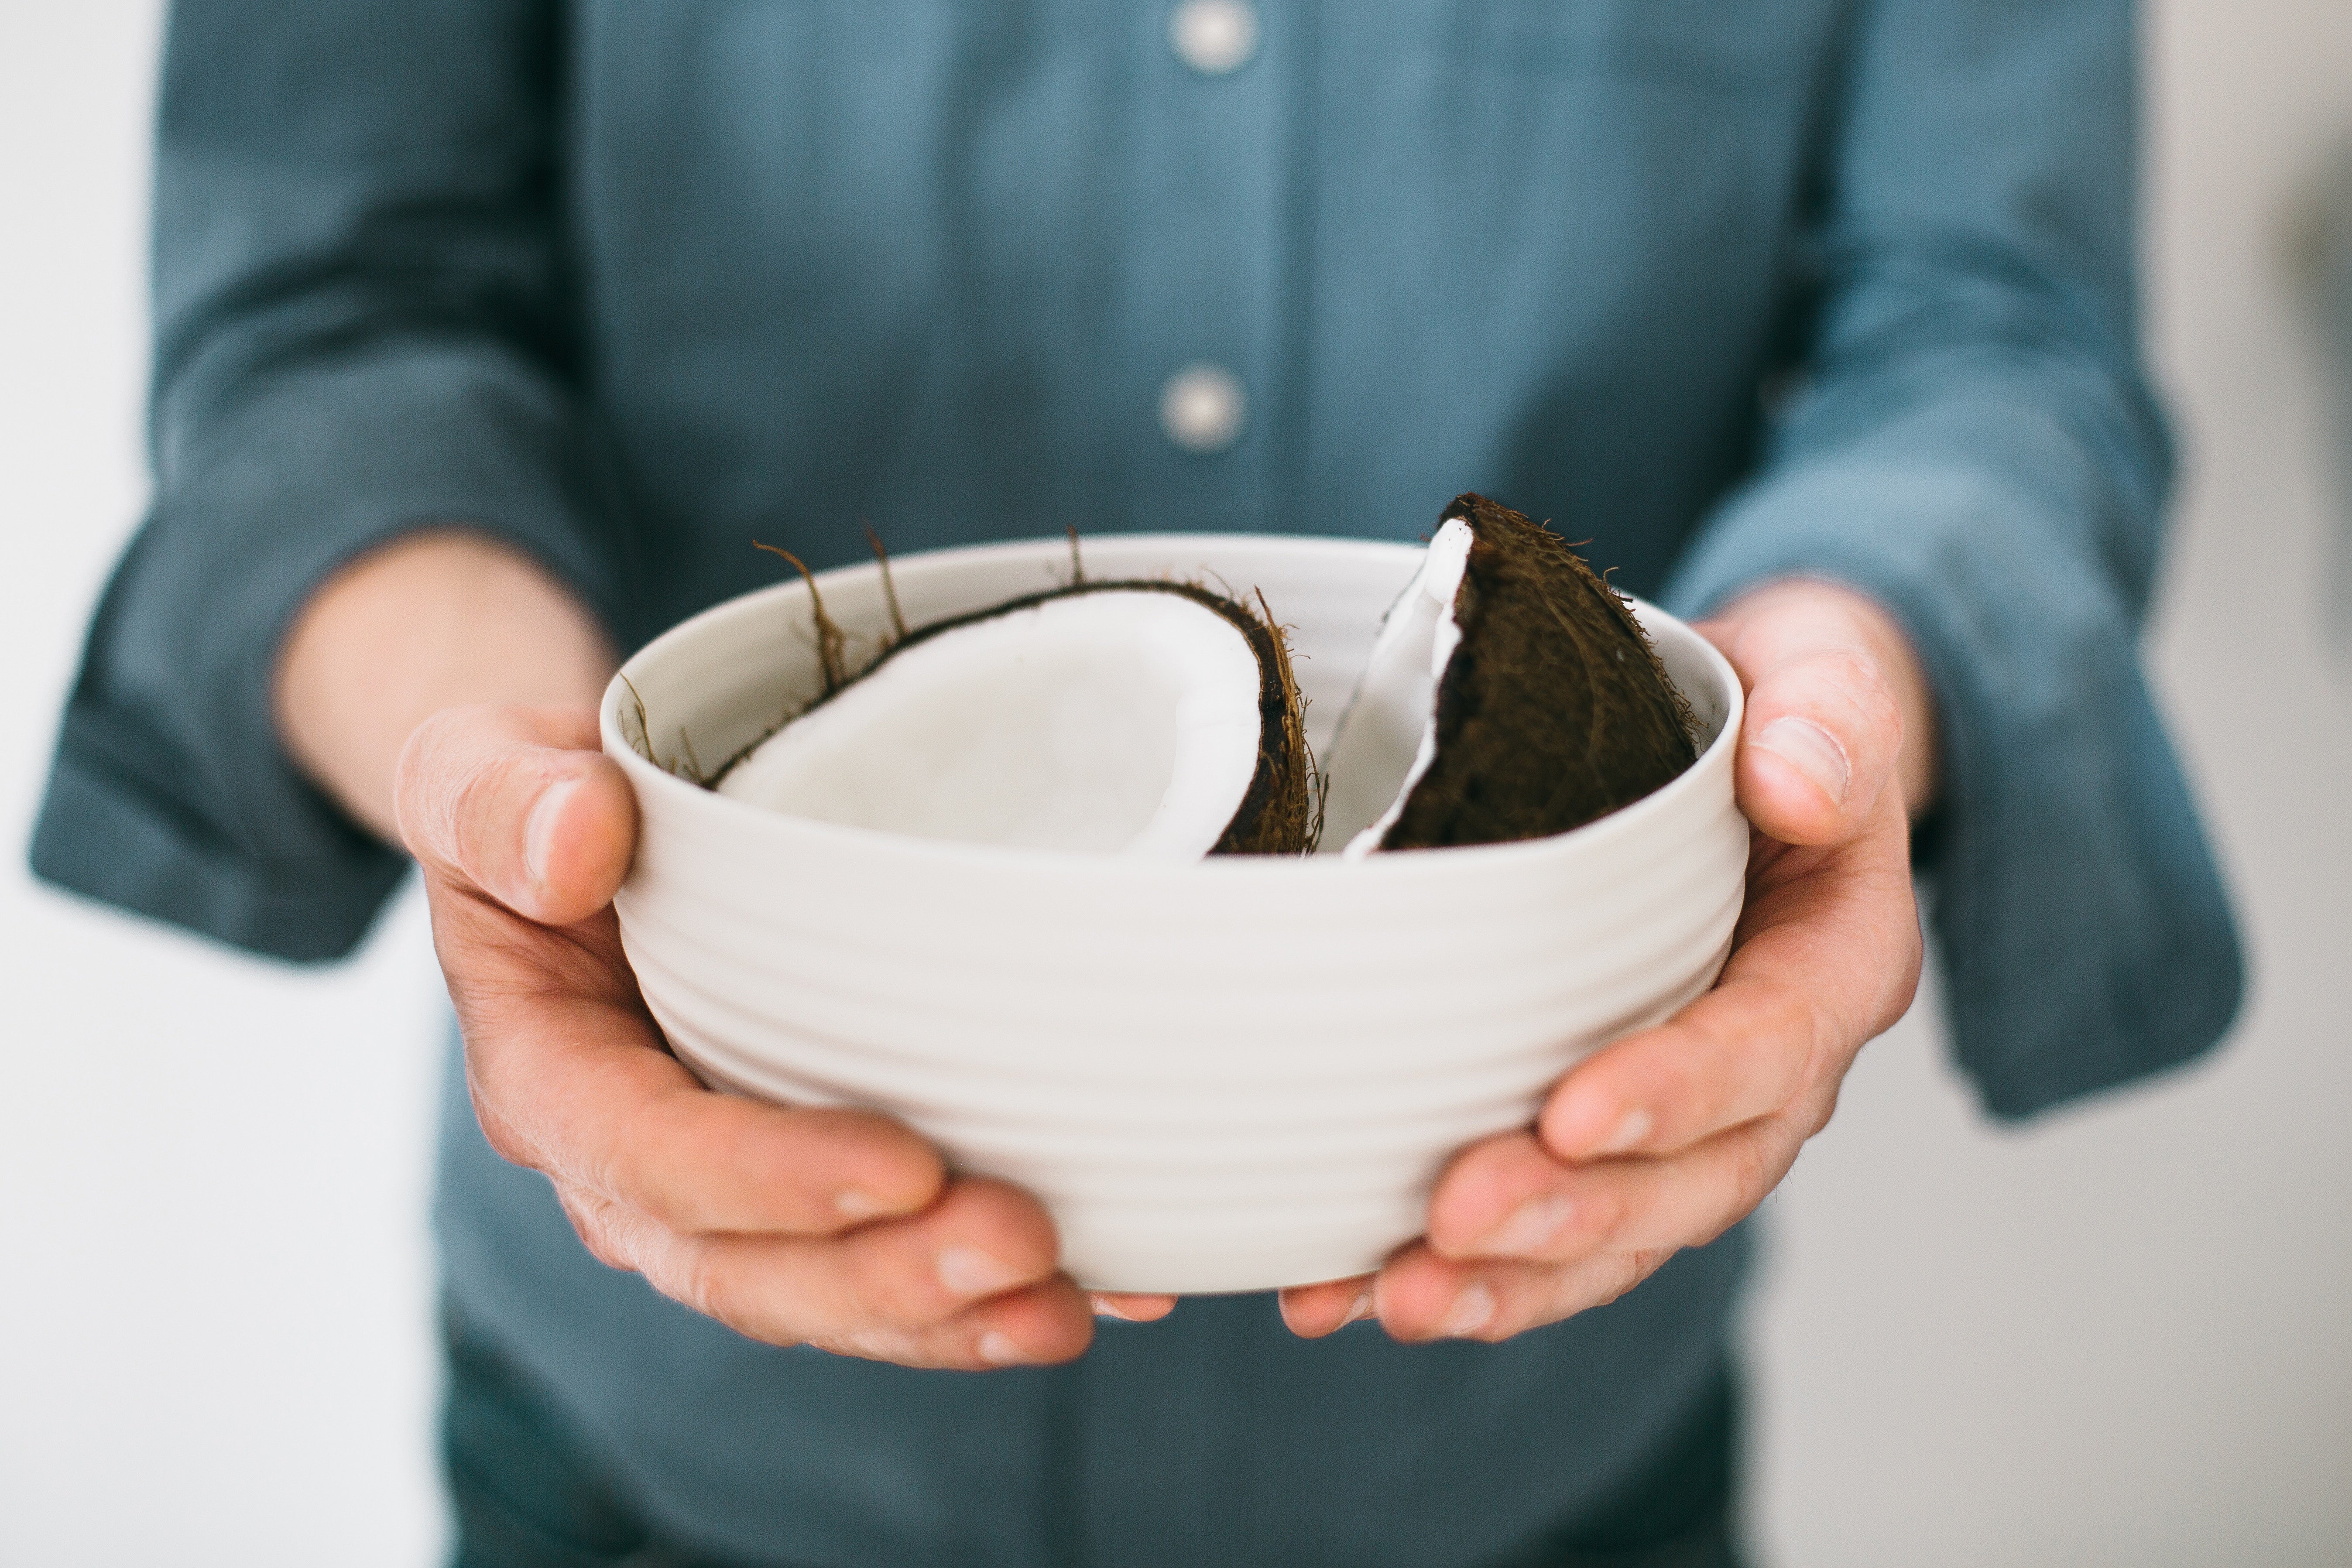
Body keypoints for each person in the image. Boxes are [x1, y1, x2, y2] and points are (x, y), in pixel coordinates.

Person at [32, 1, 2243, 1563]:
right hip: (661, 1445)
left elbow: (1990, 331)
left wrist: (1843, 688)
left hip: (1525, 1437)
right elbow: (338, 311)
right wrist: (498, 767)